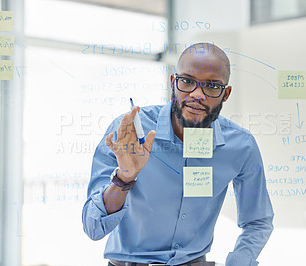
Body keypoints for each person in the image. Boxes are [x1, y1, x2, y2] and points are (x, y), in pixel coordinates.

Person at [82, 43, 274, 266]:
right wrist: (124, 177)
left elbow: (258, 221)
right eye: (187, 81)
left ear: (226, 93)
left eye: (212, 86)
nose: (197, 95)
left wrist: (239, 262)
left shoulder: (241, 146)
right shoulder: (129, 132)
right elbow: (93, 226)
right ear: (173, 82)